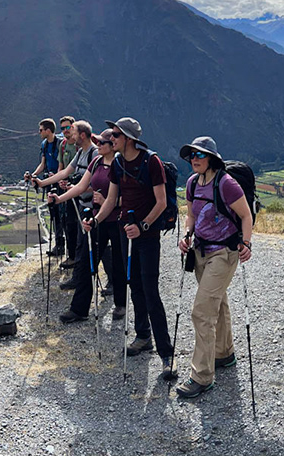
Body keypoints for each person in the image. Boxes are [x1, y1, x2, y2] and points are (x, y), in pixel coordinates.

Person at [89, 117, 174, 380]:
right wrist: (95, 221)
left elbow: (160, 203)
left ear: (128, 138)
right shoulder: (116, 163)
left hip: (146, 235)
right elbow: (112, 199)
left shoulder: (152, 162)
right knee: (134, 285)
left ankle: (166, 354)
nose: (110, 138)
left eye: (115, 134)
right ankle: (142, 336)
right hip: (127, 232)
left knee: (150, 290)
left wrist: (144, 226)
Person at [174, 135, 254, 399]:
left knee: (201, 312)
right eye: (192, 155)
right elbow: (192, 214)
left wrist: (247, 243)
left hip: (224, 252)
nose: (194, 160)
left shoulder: (227, 184)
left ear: (212, 159)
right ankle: (224, 353)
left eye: (199, 155)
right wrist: (187, 235)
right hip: (200, 250)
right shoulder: (192, 183)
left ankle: (202, 377)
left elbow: (245, 215)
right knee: (216, 302)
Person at [51, 127, 124, 322]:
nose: (98, 145)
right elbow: (82, 187)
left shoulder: (121, 165)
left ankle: (121, 304)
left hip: (116, 221)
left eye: (102, 143)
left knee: (118, 262)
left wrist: (108, 200)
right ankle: (79, 309)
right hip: (96, 219)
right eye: (97, 142)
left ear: (112, 146)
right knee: (85, 263)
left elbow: (132, 197)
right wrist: (59, 199)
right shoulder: (97, 161)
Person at [39, 119, 93, 286]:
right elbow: (64, 173)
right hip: (82, 202)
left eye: (74, 132)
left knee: (91, 245)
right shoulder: (81, 153)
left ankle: (107, 281)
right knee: (82, 243)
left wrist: (65, 193)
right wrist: (42, 183)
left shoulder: (94, 154)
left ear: (82, 135)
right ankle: (79, 279)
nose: (70, 135)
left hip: (92, 206)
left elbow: (89, 184)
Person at [25, 119, 67, 259]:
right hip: (50, 181)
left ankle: (63, 244)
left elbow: (65, 164)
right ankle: (59, 244)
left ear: (48, 130)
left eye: (41, 130)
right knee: (54, 213)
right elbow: (43, 164)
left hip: (59, 181)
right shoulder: (44, 144)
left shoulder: (60, 144)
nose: (39, 132)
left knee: (61, 213)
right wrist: (34, 175)